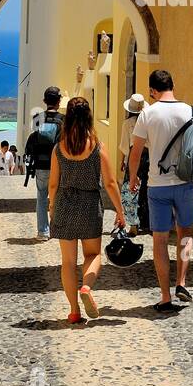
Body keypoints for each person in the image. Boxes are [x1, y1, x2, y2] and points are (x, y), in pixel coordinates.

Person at [128, 69, 193, 311]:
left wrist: (133, 178)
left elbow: (135, 153)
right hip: (185, 183)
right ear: (173, 86)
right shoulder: (192, 112)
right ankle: (182, 282)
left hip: (158, 186)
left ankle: (165, 296)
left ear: (152, 90)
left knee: (160, 241)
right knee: (185, 234)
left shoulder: (147, 114)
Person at [49, 96, 125, 324]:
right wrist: (120, 212)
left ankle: (74, 311)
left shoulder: (59, 149)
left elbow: (53, 184)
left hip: (64, 204)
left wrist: (52, 207)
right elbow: (110, 183)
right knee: (92, 255)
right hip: (90, 206)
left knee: (68, 262)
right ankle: (86, 287)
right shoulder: (97, 148)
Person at [23, 86, 63, 240]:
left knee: (41, 197)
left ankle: (43, 232)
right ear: (58, 101)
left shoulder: (37, 118)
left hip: (40, 165)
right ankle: (57, 229)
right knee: (58, 198)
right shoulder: (63, 120)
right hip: (58, 165)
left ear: (45, 101)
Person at [119, 93, 150, 234]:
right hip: (148, 157)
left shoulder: (127, 123)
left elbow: (125, 145)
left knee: (130, 189)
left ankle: (133, 223)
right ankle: (147, 222)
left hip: (133, 156)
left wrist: (123, 161)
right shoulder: (150, 120)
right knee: (147, 189)